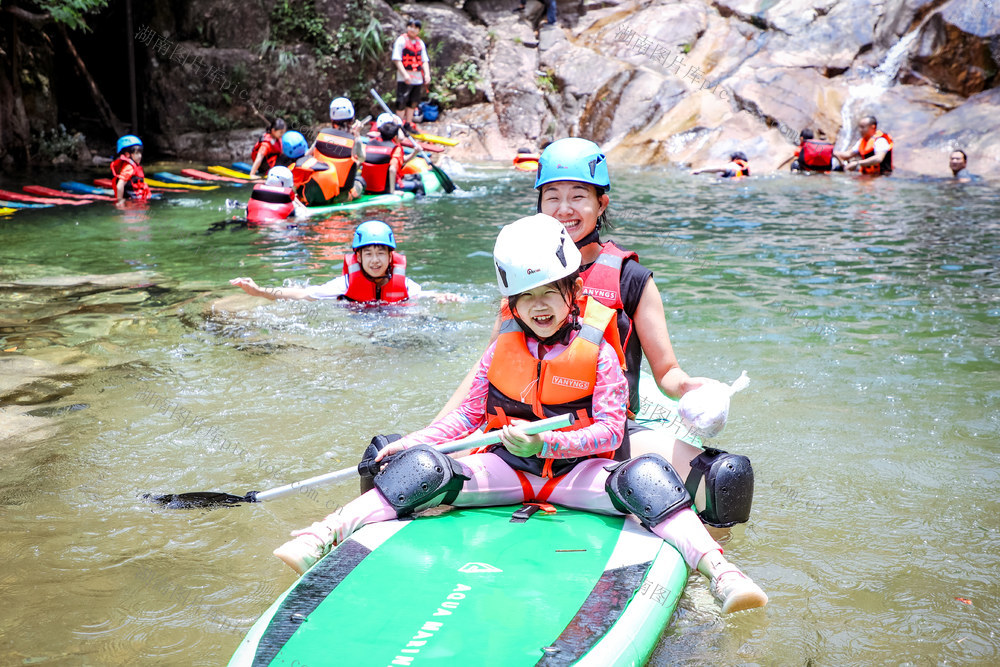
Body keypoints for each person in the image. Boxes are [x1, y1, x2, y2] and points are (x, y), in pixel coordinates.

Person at [273, 215, 768, 614]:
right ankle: (324, 534)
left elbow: (608, 432)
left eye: (549, 292)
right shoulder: (501, 349)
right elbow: (467, 418)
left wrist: (546, 443)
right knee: (420, 465)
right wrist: (420, 438)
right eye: (526, 297)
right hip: (508, 470)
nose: (539, 306)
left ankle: (722, 574)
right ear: (512, 303)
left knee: (647, 479)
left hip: (579, 474)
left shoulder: (600, 351)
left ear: (574, 290)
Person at [436, 138, 755, 531]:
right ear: (539, 205)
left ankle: (697, 552)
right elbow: (487, 369)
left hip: (606, 436)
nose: (564, 209)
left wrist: (687, 386)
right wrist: (434, 432)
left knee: (725, 480)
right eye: (552, 197)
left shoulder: (631, 279)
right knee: (396, 461)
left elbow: (666, 371)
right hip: (522, 437)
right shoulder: (521, 277)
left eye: (578, 196)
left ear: (601, 204)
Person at [230, 220, 456, 303]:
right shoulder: (345, 285)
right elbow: (302, 294)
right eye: (368, 254)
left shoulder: (405, 285)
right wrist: (260, 291)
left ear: (390, 257)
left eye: (381, 253)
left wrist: (442, 297)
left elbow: (426, 296)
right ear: (358, 257)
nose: (375, 260)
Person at [293, 98, 367, 205]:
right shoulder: (354, 140)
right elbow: (362, 158)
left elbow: (307, 155)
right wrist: (357, 135)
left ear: (332, 120)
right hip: (340, 196)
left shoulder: (322, 135)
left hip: (321, 189)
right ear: (352, 120)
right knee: (361, 181)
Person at [361, 113, 420, 195]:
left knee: (416, 176)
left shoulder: (369, 144)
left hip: (366, 187)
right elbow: (392, 169)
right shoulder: (394, 148)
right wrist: (392, 191)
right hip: (385, 189)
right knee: (419, 185)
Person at [392, 19, 430, 132]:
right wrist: (405, 75)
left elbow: (424, 60)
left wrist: (427, 74)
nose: (413, 29)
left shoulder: (420, 43)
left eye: (416, 28)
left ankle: (408, 124)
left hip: (417, 77)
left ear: (419, 30)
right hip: (404, 77)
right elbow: (397, 59)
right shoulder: (401, 40)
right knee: (401, 101)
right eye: (411, 26)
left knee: (413, 102)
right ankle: (399, 126)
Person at [110, 135, 151, 202]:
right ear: (127, 154)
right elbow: (120, 185)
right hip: (131, 201)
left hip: (134, 199)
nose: (140, 156)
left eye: (140, 153)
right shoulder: (129, 167)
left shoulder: (129, 166)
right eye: (137, 153)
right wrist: (120, 201)